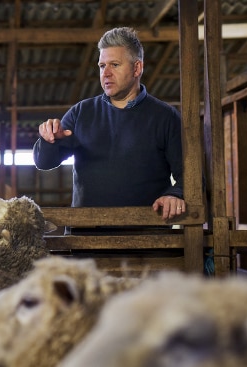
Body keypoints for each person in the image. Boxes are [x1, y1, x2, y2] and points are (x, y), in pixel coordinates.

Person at [33, 27, 186, 227]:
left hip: (147, 242)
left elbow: (189, 175)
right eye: (102, 65)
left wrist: (175, 194)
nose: (106, 73)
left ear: (137, 68)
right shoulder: (81, 113)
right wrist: (49, 139)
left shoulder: (165, 117)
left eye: (114, 65)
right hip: (87, 240)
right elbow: (43, 162)